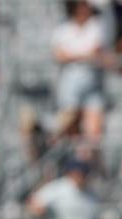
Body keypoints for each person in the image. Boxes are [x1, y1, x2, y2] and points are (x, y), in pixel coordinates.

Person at [51, 0, 105, 141]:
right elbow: (59, 55)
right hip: (70, 83)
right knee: (70, 124)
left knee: (94, 130)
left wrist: (73, 56)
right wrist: (84, 56)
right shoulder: (63, 29)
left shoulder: (96, 27)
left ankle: (90, 154)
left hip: (92, 81)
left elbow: (96, 52)